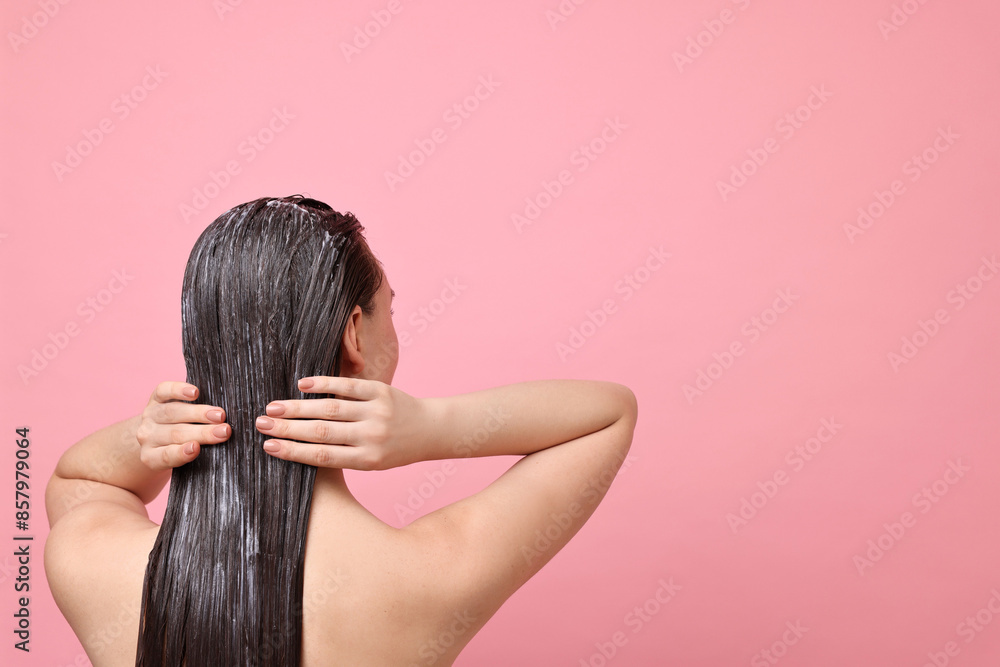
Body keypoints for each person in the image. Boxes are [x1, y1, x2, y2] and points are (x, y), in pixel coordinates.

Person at [44, 195, 638, 666]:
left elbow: (76, 479)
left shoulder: (92, 561)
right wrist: (432, 427)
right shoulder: (430, 574)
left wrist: (150, 436)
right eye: (390, 310)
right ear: (355, 335)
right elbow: (607, 413)